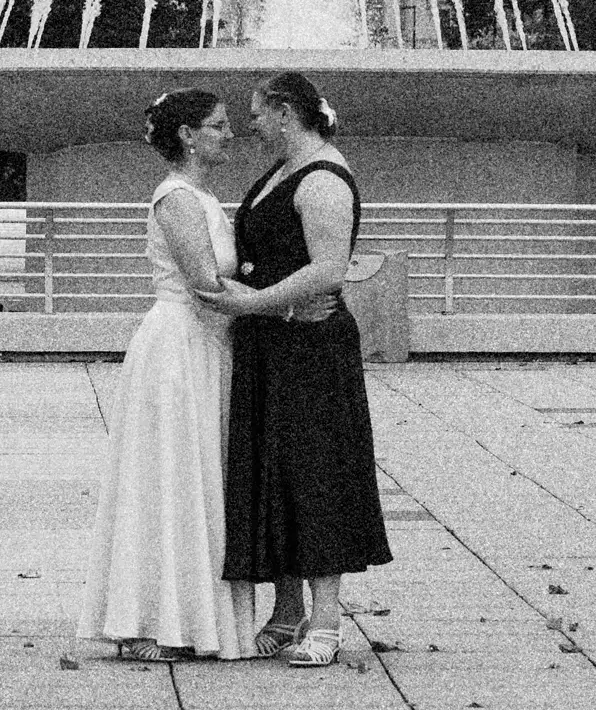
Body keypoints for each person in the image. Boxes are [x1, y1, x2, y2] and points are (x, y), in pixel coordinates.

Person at [205, 69, 392, 669]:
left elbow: (330, 269)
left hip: (311, 348)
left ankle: (328, 621)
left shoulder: (324, 178)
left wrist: (252, 301)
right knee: (271, 471)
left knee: (315, 472)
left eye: (257, 114)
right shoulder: (281, 174)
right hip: (270, 343)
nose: (251, 125)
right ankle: (286, 612)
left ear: (286, 113)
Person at [78, 88, 255, 663]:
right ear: (186, 135)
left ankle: (188, 615)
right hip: (178, 346)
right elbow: (204, 283)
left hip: (207, 343)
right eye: (218, 125)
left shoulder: (203, 197)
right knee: (170, 474)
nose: (229, 134)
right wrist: (284, 304)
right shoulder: (176, 198)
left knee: (197, 474)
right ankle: (153, 619)